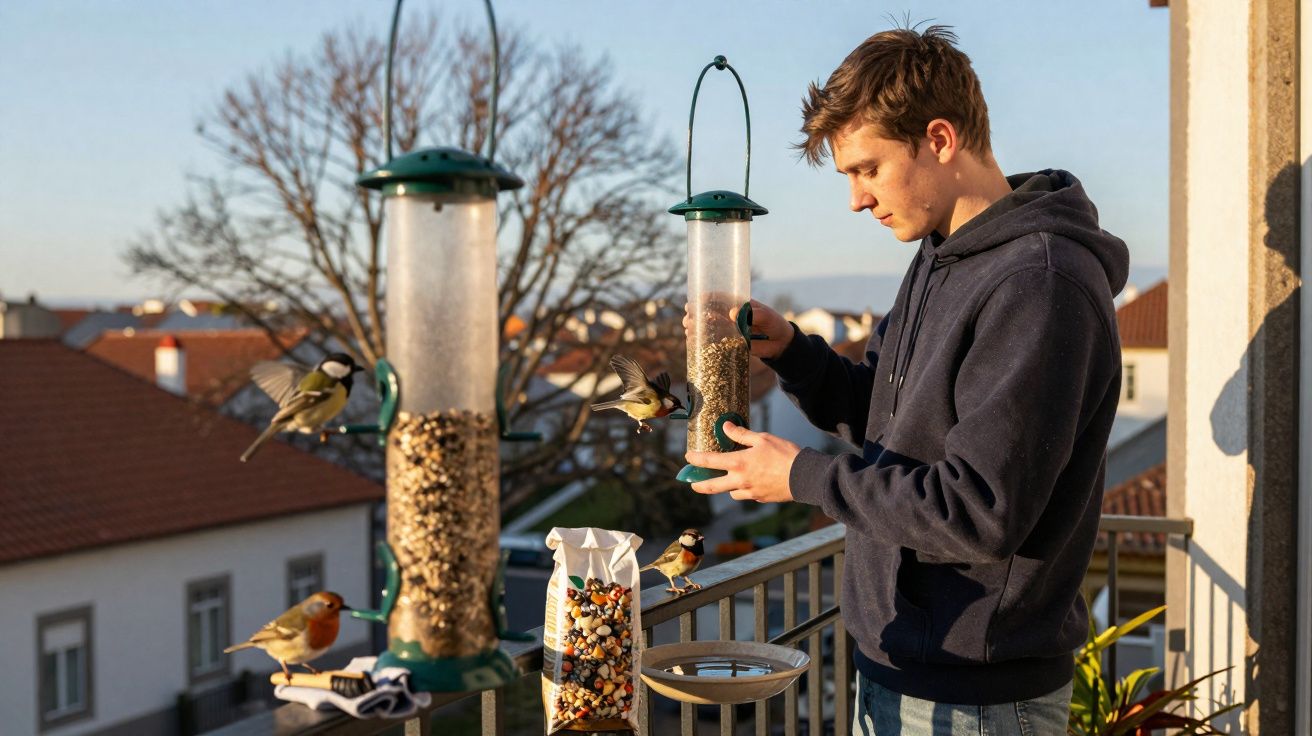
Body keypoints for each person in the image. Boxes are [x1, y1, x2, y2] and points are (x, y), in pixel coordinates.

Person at [684, 24, 1128, 736]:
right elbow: (891, 421)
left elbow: (978, 509)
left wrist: (804, 478)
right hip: (898, 670)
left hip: (977, 700)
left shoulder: (1039, 283)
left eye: (868, 169)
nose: (856, 200)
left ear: (941, 140)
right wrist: (792, 351)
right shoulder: (939, 255)